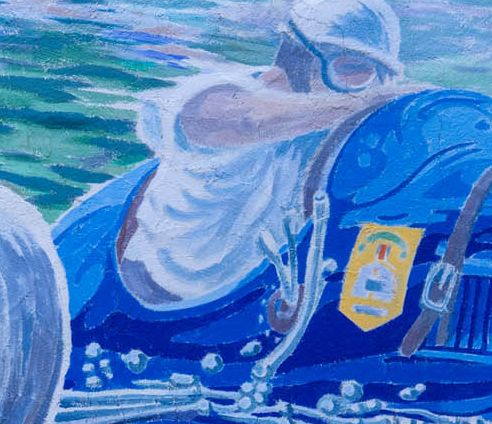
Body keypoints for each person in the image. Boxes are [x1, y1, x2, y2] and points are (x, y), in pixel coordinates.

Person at [120, 0, 406, 309]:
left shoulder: (342, 123)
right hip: (159, 291)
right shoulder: (212, 94)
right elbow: (248, 120)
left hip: (258, 299)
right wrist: (374, 100)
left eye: (379, 76)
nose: (370, 87)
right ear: (300, 58)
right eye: (351, 69)